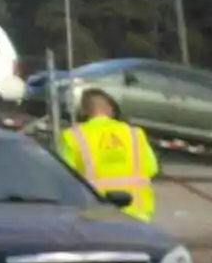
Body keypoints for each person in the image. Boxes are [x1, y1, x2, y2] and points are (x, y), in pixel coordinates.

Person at [57, 91, 158, 221]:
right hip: (137, 212)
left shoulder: (72, 136)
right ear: (110, 108)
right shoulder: (134, 133)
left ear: (83, 111)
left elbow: (64, 176)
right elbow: (151, 168)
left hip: (96, 213)